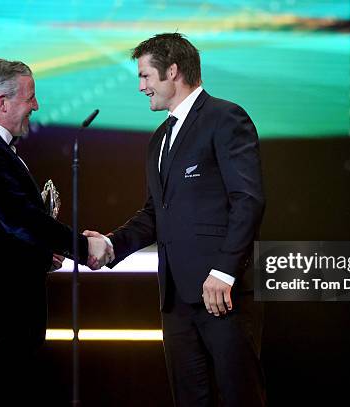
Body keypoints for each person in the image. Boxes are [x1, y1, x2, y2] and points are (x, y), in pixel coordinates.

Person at [85, 33, 266, 406]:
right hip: (175, 302)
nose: (141, 87)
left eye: (145, 76)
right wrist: (112, 244)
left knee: (240, 396)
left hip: (221, 295)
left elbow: (247, 200)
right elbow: (155, 213)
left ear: (172, 71)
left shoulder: (225, 117)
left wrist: (224, 272)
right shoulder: (158, 140)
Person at [0, 58, 110, 406]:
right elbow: (21, 219)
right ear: (2, 102)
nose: (36, 105)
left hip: (6, 320)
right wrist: (83, 247)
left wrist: (41, 255)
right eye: (30, 97)